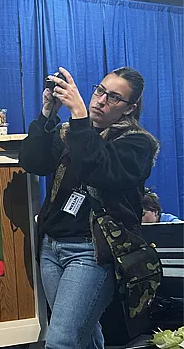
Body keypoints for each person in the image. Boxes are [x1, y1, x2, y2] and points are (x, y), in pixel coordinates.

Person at [19, 67, 159, 349]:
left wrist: (80, 116)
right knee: (86, 335)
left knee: (61, 341)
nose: (101, 100)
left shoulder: (137, 143)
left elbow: (97, 168)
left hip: (91, 252)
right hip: (51, 247)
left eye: (114, 98)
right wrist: (47, 113)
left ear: (129, 108)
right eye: (100, 90)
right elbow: (33, 162)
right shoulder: (69, 132)